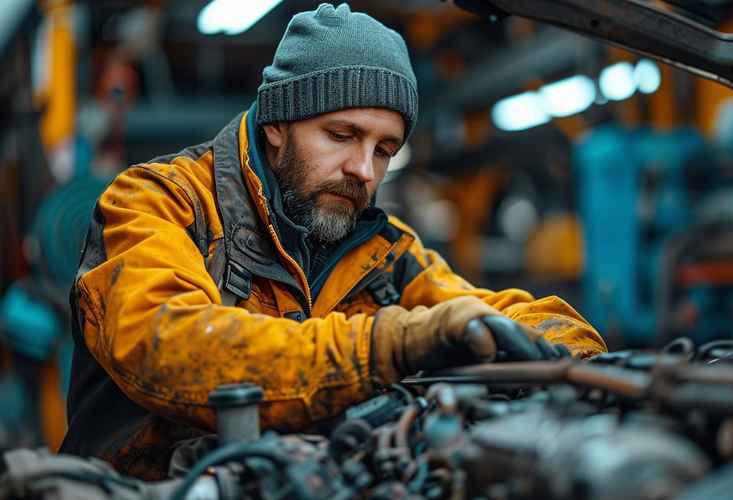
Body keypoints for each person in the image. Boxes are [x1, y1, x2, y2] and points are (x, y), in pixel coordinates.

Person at [60, 3, 606, 479]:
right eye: (342, 135)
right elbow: (168, 345)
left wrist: (576, 352)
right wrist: (388, 344)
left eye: (385, 149)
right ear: (277, 123)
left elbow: (494, 312)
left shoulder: (384, 252)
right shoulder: (159, 203)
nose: (363, 170)